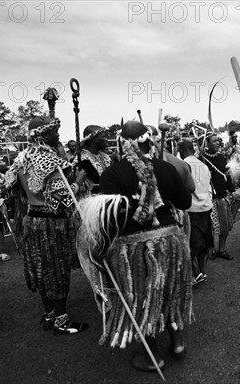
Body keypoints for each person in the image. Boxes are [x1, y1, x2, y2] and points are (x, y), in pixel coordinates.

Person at [86, 120, 192, 372]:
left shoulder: (111, 174)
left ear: (121, 144)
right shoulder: (166, 167)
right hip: (169, 241)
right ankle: (177, 342)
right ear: (149, 140)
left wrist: (98, 248)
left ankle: (152, 355)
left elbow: (109, 220)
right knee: (168, 290)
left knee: (142, 298)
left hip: (133, 251)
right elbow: (185, 202)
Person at [2, 116, 88, 335]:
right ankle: (61, 321)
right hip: (51, 224)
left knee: (41, 269)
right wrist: (77, 180)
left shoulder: (21, 158)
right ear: (41, 135)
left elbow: (12, 191)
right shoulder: (49, 161)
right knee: (56, 270)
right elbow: (61, 201)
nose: (58, 135)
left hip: (31, 221)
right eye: (53, 132)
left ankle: (49, 315)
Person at [179, 140, 213, 285]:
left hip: (191, 209)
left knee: (192, 243)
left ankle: (193, 273)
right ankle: (201, 271)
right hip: (206, 207)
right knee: (203, 242)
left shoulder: (183, 165)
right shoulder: (204, 165)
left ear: (181, 150)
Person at [201, 133, 234, 260]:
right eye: (214, 141)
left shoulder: (221, 157)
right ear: (207, 143)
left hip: (222, 196)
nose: (217, 143)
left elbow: (227, 174)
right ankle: (211, 249)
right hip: (208, 197)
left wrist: (231, 189)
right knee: (211, 227)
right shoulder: (201, 159)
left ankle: (221, 249)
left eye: (218, 141)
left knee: (224, 226)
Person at [77, 125, 112, 196]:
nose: (106, 139)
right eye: (103, 137)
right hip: (92, 201)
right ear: (94, 139)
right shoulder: (82, 159)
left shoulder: (105, 156)